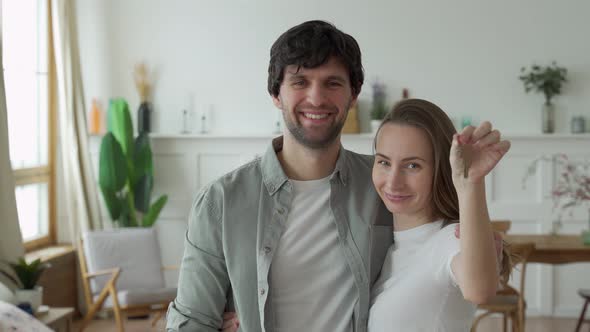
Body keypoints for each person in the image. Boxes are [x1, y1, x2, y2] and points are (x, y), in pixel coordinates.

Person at [166, 20, 394, 332]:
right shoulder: (220, 202)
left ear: (353, 96)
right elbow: (192, 321)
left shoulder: (385, 184)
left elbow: (438, 251)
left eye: (333, 83)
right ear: (276, 94)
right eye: (300, 82)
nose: (316, 98)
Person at [367, 99, 511, 331]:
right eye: (384, 162)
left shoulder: (450, 239)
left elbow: (480, 289)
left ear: (442, 169)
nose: (393, 181)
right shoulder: (390, 249)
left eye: (412, 166)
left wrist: (470, 182)